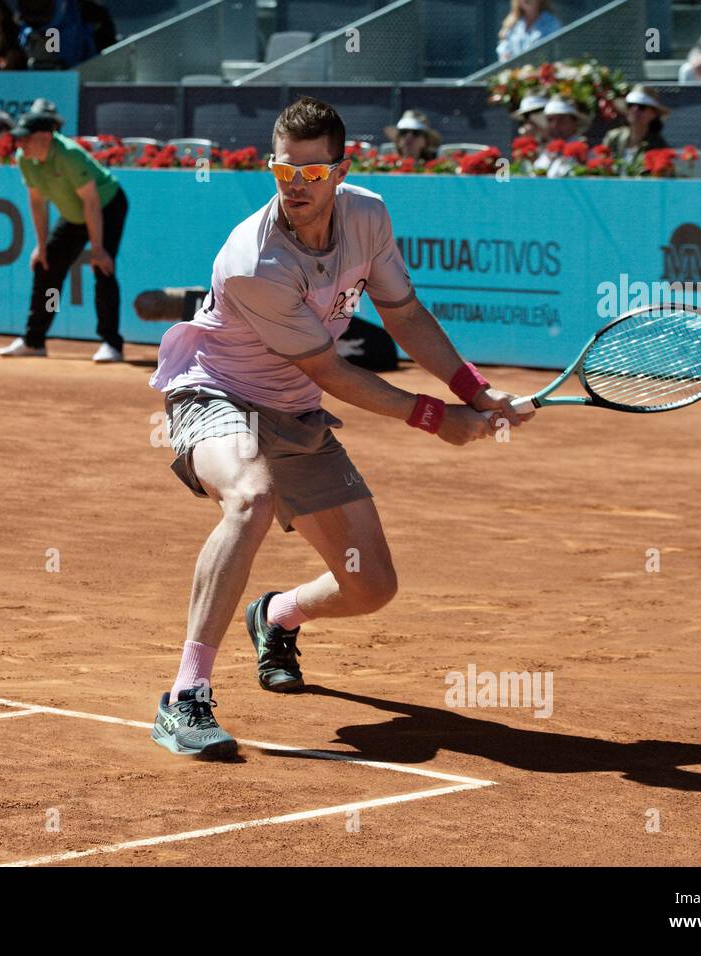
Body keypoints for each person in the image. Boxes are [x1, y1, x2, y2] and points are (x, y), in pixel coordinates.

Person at [145, 96, 531, 758]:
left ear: (341, 171)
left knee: (371, 586)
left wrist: (478, 389)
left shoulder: (369, 216)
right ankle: (186, 696)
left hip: (293, 407)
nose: (296, 186)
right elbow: (333, 373)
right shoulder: (254, 261)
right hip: (217, 394)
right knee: (251, 498)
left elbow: (405, 316)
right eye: (283, 170)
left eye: (313, 174)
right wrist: (439, 418)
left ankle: (275, 616)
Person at [0, 109, 129, 362]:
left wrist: (98, 248)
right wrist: (41, 246)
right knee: (46, 266)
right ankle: (34, 341)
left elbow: (91, 202)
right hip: (75, 214)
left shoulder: (70, 155)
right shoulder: (25, 158)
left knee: (103, 267)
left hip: (106, 206)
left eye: (25, 137)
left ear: (45, 136)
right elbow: (37, 203)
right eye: (18, 138)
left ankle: (112, 344)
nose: (20, 142)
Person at [602, 86, 671, 167]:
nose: (635, 109)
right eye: (630, 105)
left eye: (642, 106)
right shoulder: (613, 138)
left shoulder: (659, 146)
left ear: (653, 114)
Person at [534, 96, 588, 177]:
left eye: (561, 119)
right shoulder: (543, 150)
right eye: (550, 120)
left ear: (575, 122)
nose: (555, 125)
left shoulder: (586, 149)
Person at [497, 0, 563, 61]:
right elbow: (503, 54)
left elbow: (553, 54)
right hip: (514, 71)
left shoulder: (552, 23)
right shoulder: (511, 24)